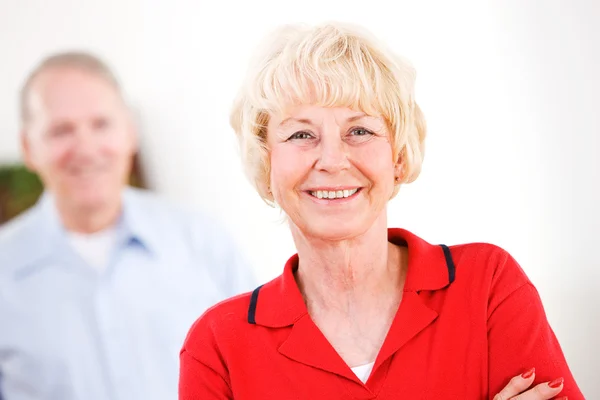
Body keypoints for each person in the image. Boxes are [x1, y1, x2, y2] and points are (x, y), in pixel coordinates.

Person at [179, 22, 584, 399]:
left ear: (399, 157)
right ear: (267, 165)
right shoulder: (218, 348)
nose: (333, 160)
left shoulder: (487, 285)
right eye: (301, 134)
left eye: (360, 131)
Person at [0, 52, 256, 400]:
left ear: (130, 132)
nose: (86, 148)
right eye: (61, 130)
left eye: (101, 124)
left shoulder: (203, 242)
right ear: (29, 148)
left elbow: (257, 373)